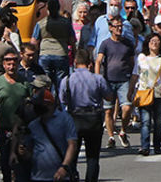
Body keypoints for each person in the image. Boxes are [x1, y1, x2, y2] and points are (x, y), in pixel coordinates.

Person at [60, 47, 112, 182]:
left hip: (74, 118)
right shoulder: (97, 79)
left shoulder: (67, 80)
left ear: (75, 62)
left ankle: (73, 176)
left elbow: (62, 100)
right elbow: (109, 97)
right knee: (93, 156)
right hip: (93, 118)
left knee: (72, 154)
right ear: (89, 63)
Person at [0, 49, 30, 182]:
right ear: (3, 65)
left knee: (21, 163)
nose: (11, 66)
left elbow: (30, 104)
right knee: (5, 162)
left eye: (14, 63)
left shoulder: (24, 82)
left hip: (21, 130)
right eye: (8, 64)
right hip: (4, 128)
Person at [16, 86, 79, 182]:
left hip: (60, 176)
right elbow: (29, 154)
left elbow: (72, 144)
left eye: (39, 105)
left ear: (49, 104)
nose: (36, 109)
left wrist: (64, 167)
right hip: (38, 177)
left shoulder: (65, 119)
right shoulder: (33, 125)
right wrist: (23, 152)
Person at [95, 14, 136, 149]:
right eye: (116, 27)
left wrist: (131, 76)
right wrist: (97, 78)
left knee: (127, 107)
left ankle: (123, 131)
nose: (119, 29)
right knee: (108, 110)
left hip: (124, 80)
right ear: (110, 28)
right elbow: (99, 60)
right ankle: (111, 136)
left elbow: (131, 61)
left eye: (121, 26)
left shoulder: (128, 44)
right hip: (108, 80)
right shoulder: (105, 43)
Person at [133, 33, 161, 156]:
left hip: (159, 93)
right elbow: (135, 73)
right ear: (147, 43)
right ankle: (145, 146)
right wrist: (130, 90)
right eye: (152, 41)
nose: (154, 43)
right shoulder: (141, 57)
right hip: (144, 92)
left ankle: (157, 146)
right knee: (145, 121)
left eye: (157, 41)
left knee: (158, 121)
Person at [34, 0, 76, 89]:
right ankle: (60, 101)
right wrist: (74, 55)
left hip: (45, 54)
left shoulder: (40, 23)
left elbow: (34, 42)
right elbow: (72, 41)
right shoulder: (66, 22)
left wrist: (37, 54)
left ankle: (47, 100)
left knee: (45, 82)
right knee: (61, 83)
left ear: (48, 9)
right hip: (61, 54)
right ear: (58, 8)